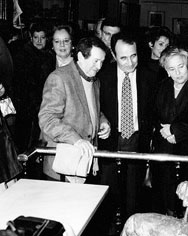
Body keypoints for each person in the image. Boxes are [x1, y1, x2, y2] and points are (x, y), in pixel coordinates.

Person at [97, 31, 155, 223]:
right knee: (107, 194)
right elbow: (94, 107)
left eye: (133, 55)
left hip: (138, 140)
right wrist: (102, 119)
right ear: (113, 55)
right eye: (123, 57)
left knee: (134, 195)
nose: (130, 62)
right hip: (111, 140)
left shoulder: (150, 76)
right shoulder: (102, 77)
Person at [38, 36, 111, 181]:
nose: (99, 66)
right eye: (95, 61)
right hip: (61, 166)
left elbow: (90, 108)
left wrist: (103, 121)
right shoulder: (59, 78)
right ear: (80, 57)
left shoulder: (95, 80)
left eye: (102, 61)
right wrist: (76, 140)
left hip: (85, 163)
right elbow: (47, 119)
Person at [151, 46, 188, 216]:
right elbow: (152, 114)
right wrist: (163, 131)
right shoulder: (162, 86)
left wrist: (174, 130)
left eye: (181, 66)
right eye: (171, 69)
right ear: (166, 71)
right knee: (167, 196)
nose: (177, 73)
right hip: (166, 149)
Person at [12, 23, 52, 153]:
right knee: (25, 142)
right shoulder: (23, 56)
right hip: (27, 107)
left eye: (42, 38)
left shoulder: (50, 56)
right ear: (31, 37)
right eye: (36, 37)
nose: (39, 41)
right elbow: (19, 85)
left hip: (43, 106)